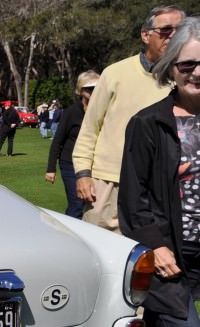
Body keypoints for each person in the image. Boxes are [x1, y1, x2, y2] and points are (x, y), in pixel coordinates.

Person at [118, 17, 200, 327]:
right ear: (171, 68)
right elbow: (135, 197)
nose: (198, 72)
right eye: (188, 63)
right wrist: (156, 245)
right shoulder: (148, 124)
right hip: (172, 251)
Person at [73, 5, 185, 232]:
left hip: (164, 187)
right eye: (165, 30)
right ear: (146, 35)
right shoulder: (114, 74)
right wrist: (83, 174)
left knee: (158, 259)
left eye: (180, 30)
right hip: (109, 183)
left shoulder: (187, 79)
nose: (173, 36)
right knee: (103, 254)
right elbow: (90, 128)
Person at [45, 71, 100, 219]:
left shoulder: (102, 110)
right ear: (80, 91)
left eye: (96, 87)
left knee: (93, 203)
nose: (93, 92)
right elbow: (58, 141)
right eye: (89, 89)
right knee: (76, 204)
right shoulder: (71, 112)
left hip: (93, 164)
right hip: (70, 164)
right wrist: (51, 169)